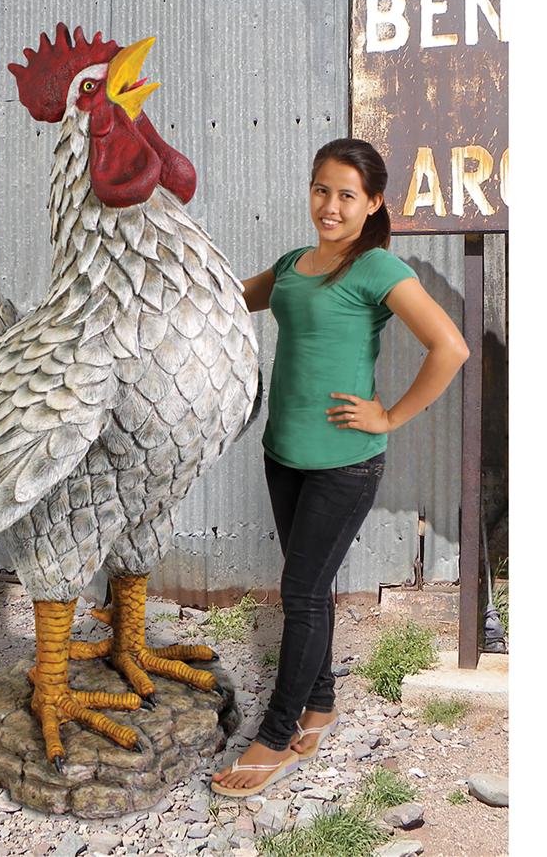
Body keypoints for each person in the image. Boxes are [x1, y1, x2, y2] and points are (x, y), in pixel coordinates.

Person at [211, 138, 469, 798]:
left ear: (373, 202)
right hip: (283, 456)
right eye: (321, 189)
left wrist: (390, 416)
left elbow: (450, 347)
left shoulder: (378, 268)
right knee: (310, 589)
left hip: (344, 467)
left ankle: (275, 738)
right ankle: (321, 703)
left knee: (299, 596)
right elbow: (229, 299)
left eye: (346, 194)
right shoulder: (295, 263)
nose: (329, 205)